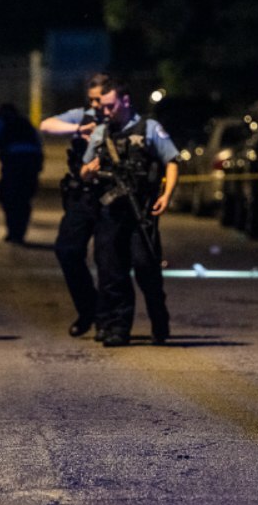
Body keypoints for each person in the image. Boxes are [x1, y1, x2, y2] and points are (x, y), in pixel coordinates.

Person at [79, 76, 179, 347]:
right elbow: (84, 169)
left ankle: (159, 320)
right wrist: (89, 171)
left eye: (110, 105)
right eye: (103, 106)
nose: (106, 111)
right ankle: (117, 328)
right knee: (112, 271)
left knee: (146, 267)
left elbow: (171, 161)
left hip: (141, 211)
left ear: (125, 101)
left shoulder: (149, 128)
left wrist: (166, 195)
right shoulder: (101, 133)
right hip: (111, 212)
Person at [39, 72, 108, 338]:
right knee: (67, 251)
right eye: (92, 100)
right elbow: (46, 125)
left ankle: (107, 319)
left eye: (99, 100)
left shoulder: (121, 119)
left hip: (110, 196)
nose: (95, 105)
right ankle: (89, 309)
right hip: (82, 196)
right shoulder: (83, 116)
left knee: (108, 259)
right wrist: (78, 129)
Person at [0, 103, 44, 244]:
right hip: (32, 162)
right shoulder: (25, 123)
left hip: (14, 163)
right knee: (23, 199)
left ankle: (14, 232)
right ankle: (19, 232)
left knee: (9, 197)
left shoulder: (1, 122)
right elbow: (38, 144)